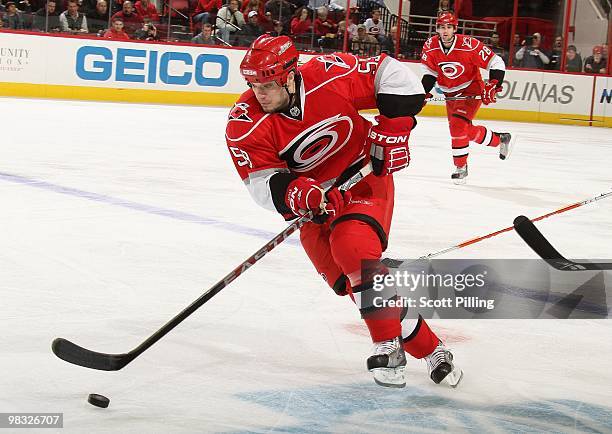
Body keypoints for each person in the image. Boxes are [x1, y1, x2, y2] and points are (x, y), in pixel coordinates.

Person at [225, 34, 463, 388]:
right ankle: (433, 351)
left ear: (290, 75)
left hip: (364, 180)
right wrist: (299, 193)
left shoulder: (329, 74)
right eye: (253, 84)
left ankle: (388, 347)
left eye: (268, 84)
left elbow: (392, 74)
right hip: (313, 207)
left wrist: (396, 128)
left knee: (352, 249)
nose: (259, 92)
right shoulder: (244, 122)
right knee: (354, 285)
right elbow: (261, 183)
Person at [421, 12, 513, 183]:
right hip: (450, 93)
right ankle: (500, 139)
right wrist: (422, 92)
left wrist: (493, 83)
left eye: (449, 27)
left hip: (471, 89)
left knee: (457, 126)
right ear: (437, 29)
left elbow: (496, 62)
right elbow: (430, 71)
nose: (445, 31)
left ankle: (460, 167)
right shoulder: (430, 45)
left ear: (455, 28)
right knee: (462, 130)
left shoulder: (469, 45)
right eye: (442, 27)